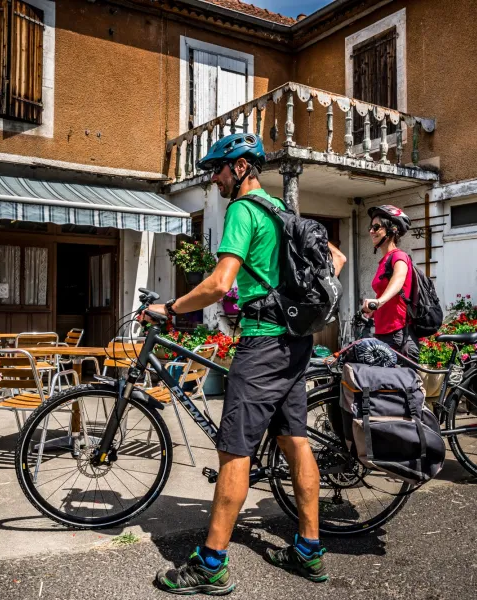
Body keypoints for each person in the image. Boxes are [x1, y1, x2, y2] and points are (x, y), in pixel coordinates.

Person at [143, 133, 346, 595]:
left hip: (262, 345)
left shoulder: (243, 210)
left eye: (217, 170)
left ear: (239, 168)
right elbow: (335, 258)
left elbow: (219, 283)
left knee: (234, 450)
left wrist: (171, 309)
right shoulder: (279, 210)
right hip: (294, 343)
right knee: (295, 441)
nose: (213, 180)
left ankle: (211, 564)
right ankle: (308, 550)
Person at [362, 205, 420, 362]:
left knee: (399, 377)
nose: (371, 231)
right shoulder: (384, 261)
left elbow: (399, 279)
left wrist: (379, 302)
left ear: (391, 230)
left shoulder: (399, 256)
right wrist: (374, 311)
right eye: (370, 227)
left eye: (376, 227)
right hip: (383, 331)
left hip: (397, 332)